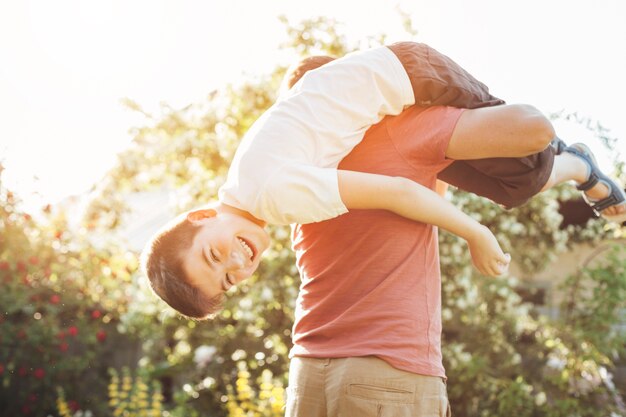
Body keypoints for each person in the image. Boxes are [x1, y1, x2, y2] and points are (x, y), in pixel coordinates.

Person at [141, 42, 625, 320]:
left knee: (528, 161)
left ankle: (573, 159)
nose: (236, 262)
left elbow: (395, 193)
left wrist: (475, 233)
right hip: (392, 88)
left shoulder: (273, 196)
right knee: (509, 190)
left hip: (414, 77)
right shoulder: (246, 186)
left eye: (214, 253)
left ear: (203, 216)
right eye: (228, 278)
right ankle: (575, 164)